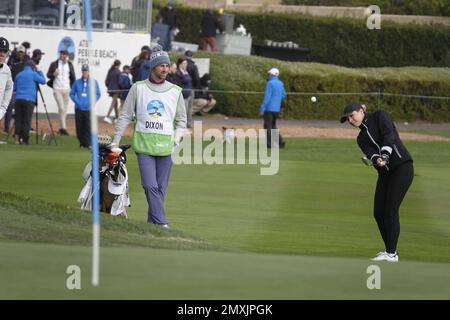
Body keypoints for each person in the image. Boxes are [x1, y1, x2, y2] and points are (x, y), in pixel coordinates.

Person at [112, 45, 186, 228]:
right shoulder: (138, 88)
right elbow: (125, 115)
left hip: (166, 148)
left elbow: (182, 120)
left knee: (160, 190)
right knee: (149, 186)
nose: (165, 69)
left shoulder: (176, 91)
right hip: (144, 147)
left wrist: (176, 141)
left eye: (167, 66)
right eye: (161, 66)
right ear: (153, 67)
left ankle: (152, 224)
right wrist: (116, 141)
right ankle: (161, 223)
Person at [340, 102, 414, 262]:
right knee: (378, 213)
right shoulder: (360, 139)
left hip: (402, 168)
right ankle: (389, 251)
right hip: (385, 174)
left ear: (361, 111)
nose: (350, 121)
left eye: (352, 116)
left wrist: (385, 155)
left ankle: (392, 254)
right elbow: (371, 153)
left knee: (390, 210)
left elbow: (389, 135)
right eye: (347, 119)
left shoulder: (380, 116)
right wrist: (377, 159)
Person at [13, 60, 46, 144]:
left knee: (18, 119)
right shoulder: (34, 74)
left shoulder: (19, 75)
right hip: (29, 100)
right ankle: (24, 139)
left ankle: (17, 138)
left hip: (18, 99)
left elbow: (14, 88)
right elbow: (43, 81)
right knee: (27, 120)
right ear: (33, 67)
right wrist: (39, 71)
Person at [70, 64, 101, 149]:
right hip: (79, 108)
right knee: (79, 127)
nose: (85, 72)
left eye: (86, 71)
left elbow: (98, 94)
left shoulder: (93, 82)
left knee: (88, 127)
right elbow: (72, 94)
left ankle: (88, 143)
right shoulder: (77, 82)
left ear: (88, 72)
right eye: (83, 71)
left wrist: (92, 102)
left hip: (88, 108)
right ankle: (82, 143)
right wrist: (77, 101)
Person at [46, 49, 76, 136]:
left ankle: (61, 127)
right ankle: (63, 128)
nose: (63, 56)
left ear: (67, 56)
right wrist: (53, 75)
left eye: (65, 54)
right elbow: (48, 75)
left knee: (64, 110)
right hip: (57, 88)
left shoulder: (69, 65)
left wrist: (72, 88)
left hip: (67, 89)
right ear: (60, 55)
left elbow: (73, 76)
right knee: (62, 108)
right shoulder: (54, 64)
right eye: (62, 54)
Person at [260, 67, 286, 148]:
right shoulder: (281, 83)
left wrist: (262, 108)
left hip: (269, 109)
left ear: (272, 74)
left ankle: (269, 144)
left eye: (270, 74)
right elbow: (283, 95)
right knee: (273, 125)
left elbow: (267, 97)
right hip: (276, 109)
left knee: (267, 126)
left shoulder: (270, 83)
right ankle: (280, 141)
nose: (269, 75)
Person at [174, 57, 193, 128]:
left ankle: (187, 123)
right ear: (180, 64)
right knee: (183, 111)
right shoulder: (178, 72)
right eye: (184, 63)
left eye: (186, 63)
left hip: (189, 93)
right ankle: (181, 125)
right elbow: (178, 83)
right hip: (183, 95)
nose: (186, 65)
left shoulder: (186, 72)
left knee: (188, 110)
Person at [104, 59, 122, 124]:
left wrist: (109, 87)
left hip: (111, 89)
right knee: (113, 103)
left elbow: (106, 81)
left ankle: (117, 117)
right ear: (119, 65)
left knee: (115, 103)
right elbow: (120, 82)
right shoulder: (119, 72)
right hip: (116, 90)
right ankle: (107, 116)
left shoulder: (110, 71)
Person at [0, 37, 13, 123]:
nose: (2, 54)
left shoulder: (6, 70)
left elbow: (9, 88)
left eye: (4, 51)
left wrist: (2, 110)